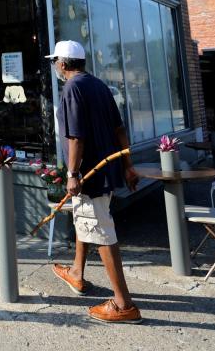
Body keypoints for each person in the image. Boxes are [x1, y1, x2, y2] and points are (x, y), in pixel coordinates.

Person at [46, 40, 142, 324]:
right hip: (107, 171)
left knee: (101, 232)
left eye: (55, 61)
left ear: (63, 63)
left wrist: (72, 174)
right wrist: (128, 167)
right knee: (85, 220)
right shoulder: (99, 85)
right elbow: (119, 128)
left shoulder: (72, 88)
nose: (54, 66)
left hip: (90, 175)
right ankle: (77, 272)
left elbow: (76, 136)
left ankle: (124, 304)